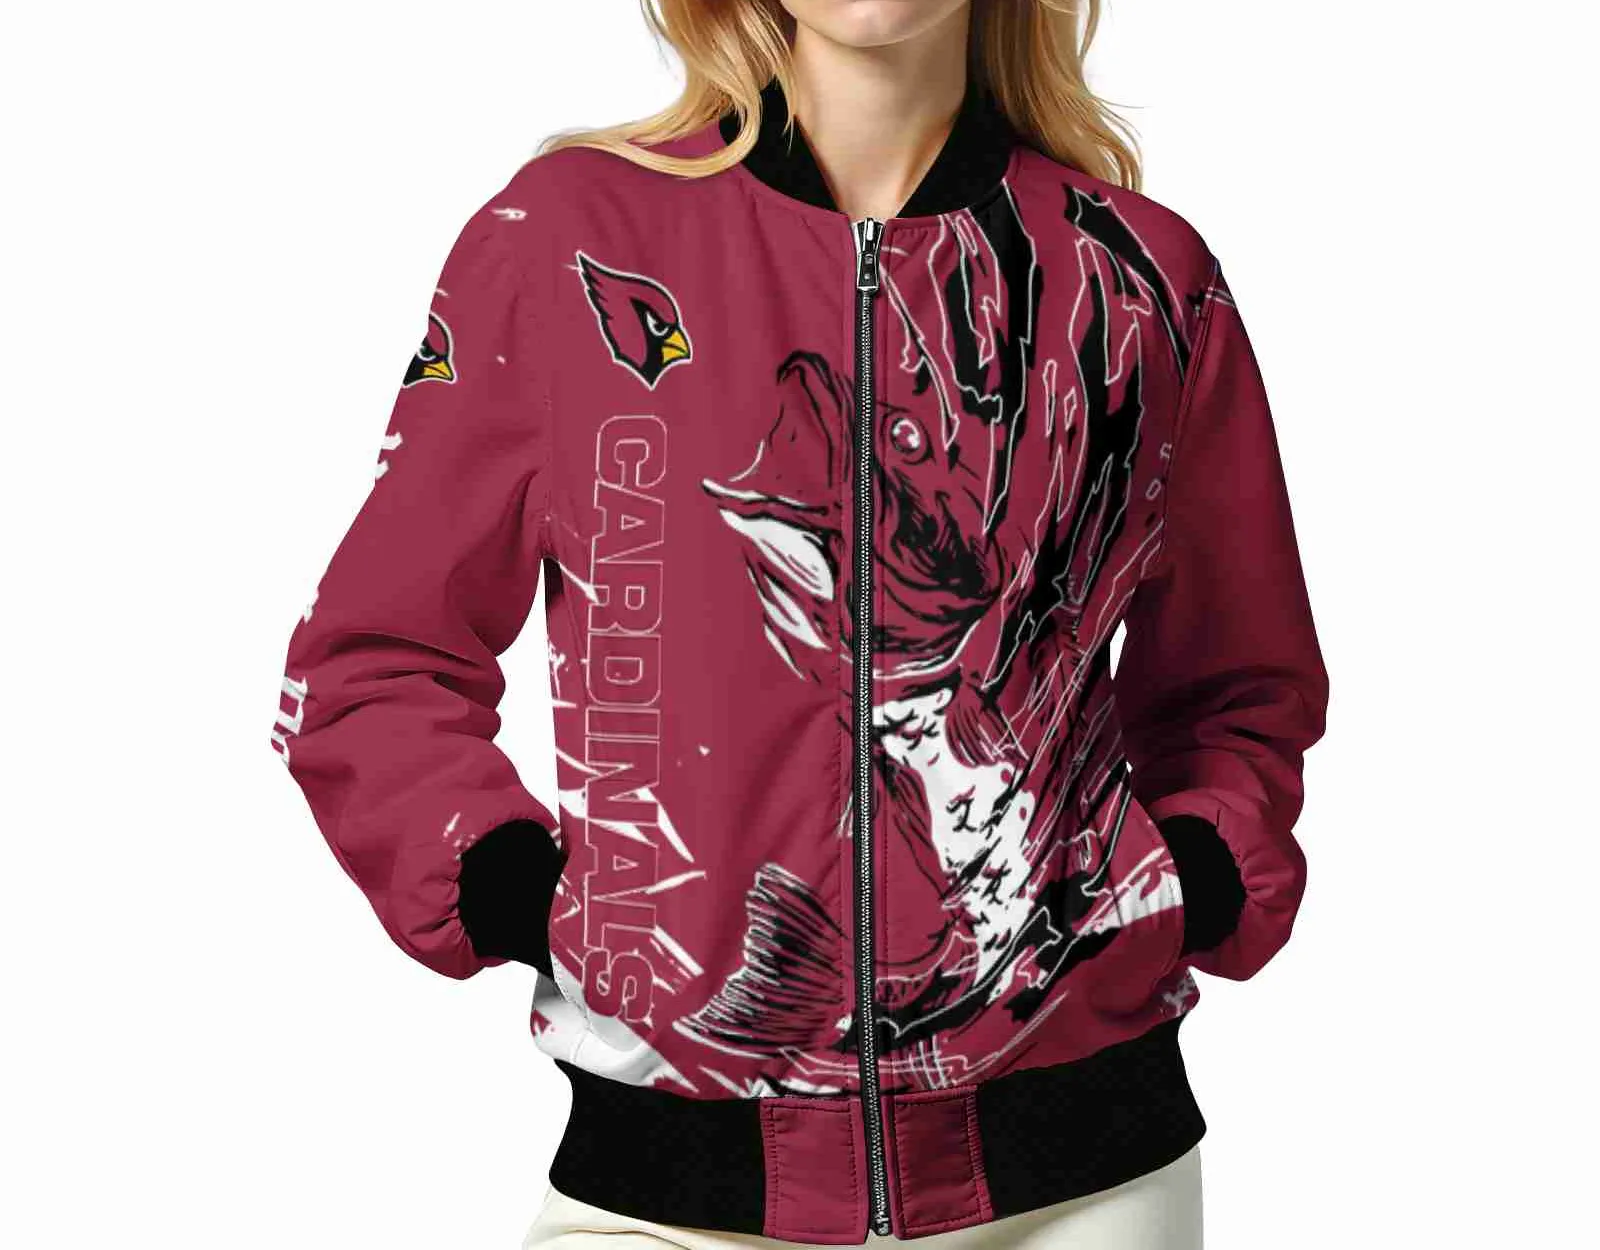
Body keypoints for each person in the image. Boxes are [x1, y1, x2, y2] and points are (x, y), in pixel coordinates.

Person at [270, 1, 1328, 1245]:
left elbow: (1238, 684)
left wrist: (1187, 876)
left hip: (1083, 1179)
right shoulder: (570, 242)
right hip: (668, 1187)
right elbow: (373, 661)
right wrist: (525, 892)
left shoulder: (1133, 276)